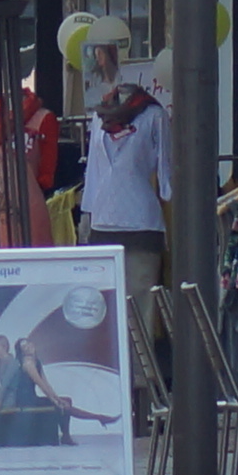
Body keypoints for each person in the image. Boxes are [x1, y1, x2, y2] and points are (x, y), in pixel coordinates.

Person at [81, 78, 171, 344]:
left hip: (141, 224)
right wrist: (87, 215)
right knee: (104, 310)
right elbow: (94, 171)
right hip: (102, 224)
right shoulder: (100, 117)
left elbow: (167, 171)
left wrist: (170, 193)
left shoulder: (154, 116)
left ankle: (142, 381)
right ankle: (111, 377)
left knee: (141, 308)